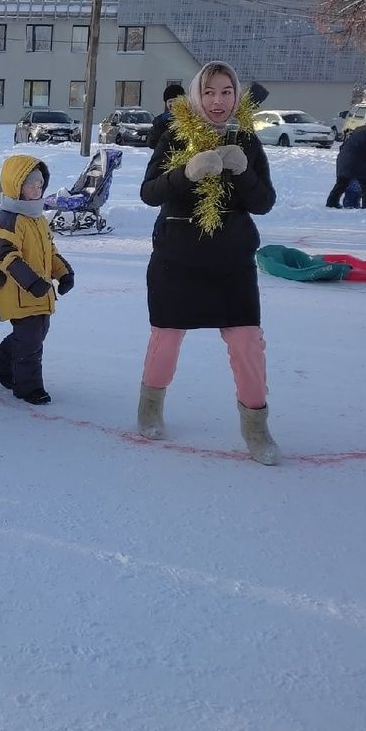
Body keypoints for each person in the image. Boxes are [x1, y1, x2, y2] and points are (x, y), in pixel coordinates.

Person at [137, 60, 279, 466]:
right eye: (210, 92)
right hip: (176, 260)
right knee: (166, 339)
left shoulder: (246, 140)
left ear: (236, 95)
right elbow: (149, 193)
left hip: (231, 263)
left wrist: (244, 170)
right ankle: (149, 408)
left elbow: (264, 203)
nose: (218, 101)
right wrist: (187, 172)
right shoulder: (174, 135)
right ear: (197, 95)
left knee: (247, 344)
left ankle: (257, 427)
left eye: (227, 91)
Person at [0, 155, 75, 406]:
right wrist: (32, 282)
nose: (37, 189)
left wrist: (63, 273)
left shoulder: (37, 217)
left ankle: (1, 360)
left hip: (38, 291)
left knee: (36, 332)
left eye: (40, 185)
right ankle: (28, 387)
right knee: (31, 339)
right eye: (31, 184)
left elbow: (50, 250)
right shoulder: (9, 219)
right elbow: (6, 255)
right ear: (16, 186)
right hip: (19, 291)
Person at [325, 118, 366, 209]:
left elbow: (344, 146)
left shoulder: (361, 132)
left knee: (342, 183)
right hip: (358, 162)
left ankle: (331, 203)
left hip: (342, 159)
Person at [148, 82, 186, 150]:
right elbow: (151, 143)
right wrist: (160, 126)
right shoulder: (160, 119)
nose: (173, 104)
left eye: (175, 100)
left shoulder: (190, 118)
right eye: (170, 101)